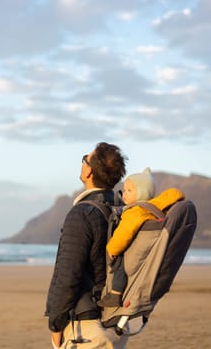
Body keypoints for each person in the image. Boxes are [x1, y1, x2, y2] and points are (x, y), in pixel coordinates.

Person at [45, 142, 129, 349]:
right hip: (115, 322)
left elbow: (68, 275)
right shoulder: (122, 211)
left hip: (86, 328)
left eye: (85, 158)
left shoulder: (82, 214)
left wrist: (55, 324)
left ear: (89, 170)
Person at [98, 167, 184, 307]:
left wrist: (111, 250)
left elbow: (123, 235)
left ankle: (115, 294)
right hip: (147, 253)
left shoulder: (135, 212)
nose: (124, 194)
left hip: (132, 257)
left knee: (119, 262)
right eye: (124, 190)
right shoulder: (153, 207)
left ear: (142, 192)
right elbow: (172, 195)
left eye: (129, 191)